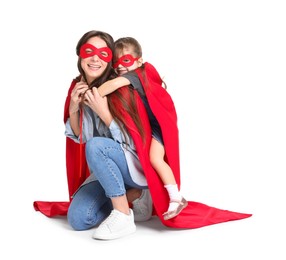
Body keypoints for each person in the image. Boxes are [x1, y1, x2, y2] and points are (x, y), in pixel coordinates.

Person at [64, 30, 155, 240]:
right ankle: (133, 196)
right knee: (79, 219)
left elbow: (137, 143)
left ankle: (122, 213)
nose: (95, 58)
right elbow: (81, 138)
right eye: (89, 51)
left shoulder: (121, 88)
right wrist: (73, 108)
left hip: (135, 166)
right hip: (106, 168)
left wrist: (104, 114)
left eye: (103, 54)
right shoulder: (81, 88)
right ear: (80, 55)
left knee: (97, 146)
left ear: (110, 60)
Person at [97, 37, 187, 220]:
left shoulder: (136, 75)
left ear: (139, 61)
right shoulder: (137, 75)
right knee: (148, 159)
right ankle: (147, 197)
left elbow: (114, 84)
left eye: (126, 60)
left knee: (155, 158)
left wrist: (93, 95)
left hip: (159, 128)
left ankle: (176, 198)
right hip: (154, 126)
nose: (120, 66)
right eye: (116, 62)